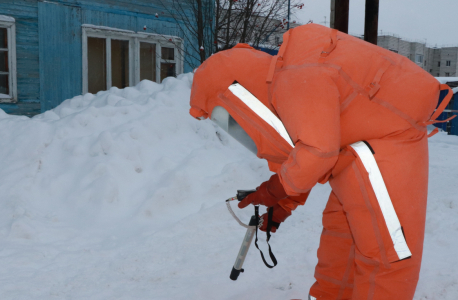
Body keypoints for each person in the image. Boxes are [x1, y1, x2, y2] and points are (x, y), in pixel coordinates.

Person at [189, 24, 454, 300]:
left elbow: (317, 152)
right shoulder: (290, 82)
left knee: (386, 257)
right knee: (341, 242)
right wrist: (282, 205)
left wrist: (274, 191)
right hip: (357, 153)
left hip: (383, 146)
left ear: (237, 90)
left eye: (226, 115)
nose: (233, 127)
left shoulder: (295, 76)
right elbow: (308, 148)